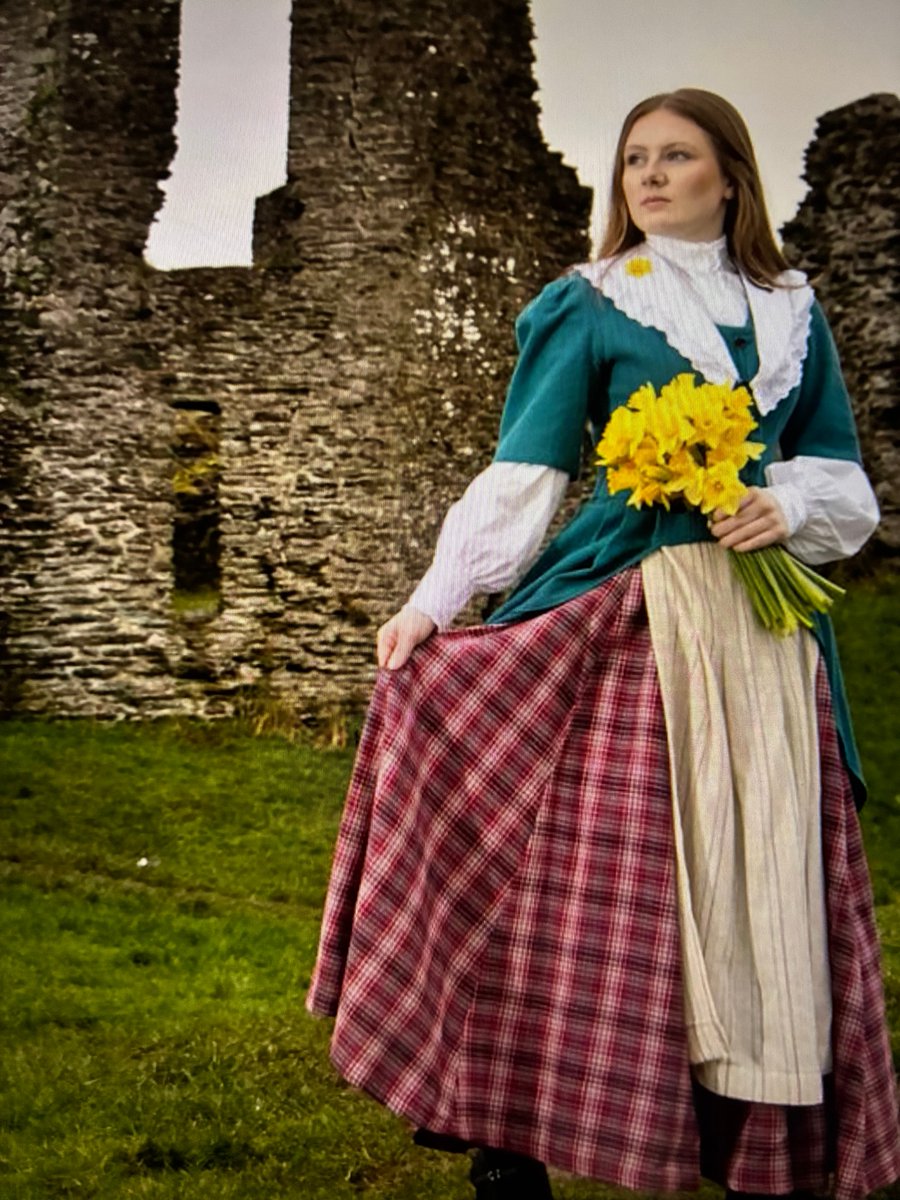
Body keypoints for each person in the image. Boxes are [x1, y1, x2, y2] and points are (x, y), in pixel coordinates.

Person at [307, 89, 900, 1200]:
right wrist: (435, 601)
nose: (650, 176)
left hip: (766, 637)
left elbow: (845, 482)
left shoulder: (792, 306)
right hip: (633, 613)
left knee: (754, 881)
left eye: (677, 156)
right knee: (585, 883)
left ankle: (758, 1145)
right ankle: (503, 1133)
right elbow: (525, 475)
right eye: (634, 159)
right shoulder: (586, 305)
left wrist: (787, 510)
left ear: (732, 174)